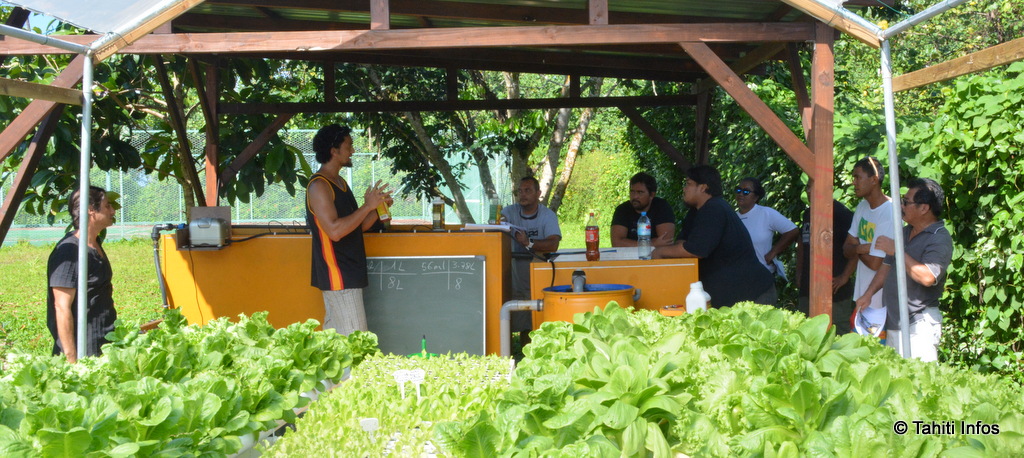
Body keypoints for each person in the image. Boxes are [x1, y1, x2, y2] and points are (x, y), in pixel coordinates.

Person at [306, 124, 391, 335]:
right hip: (338, 275)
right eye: (349, 145)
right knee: (355, 340)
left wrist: (380, 208)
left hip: (349, 273)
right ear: (334, 151)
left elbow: (356, 226)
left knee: (336, 345)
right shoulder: (319, 186)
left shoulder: (339, 182)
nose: (352, 150)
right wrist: (367, 206)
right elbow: (335, 232)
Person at [855, 178, 952, 362]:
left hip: (919, 326)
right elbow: (886, 267)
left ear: (924, 208)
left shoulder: (940, 238)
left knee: (919, 385)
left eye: (906, 202)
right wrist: (868, 295)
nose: (901, 206)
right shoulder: (905, 232)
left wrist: (897, 250)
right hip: (894, 322)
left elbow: (928, 277)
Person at [651, 165, 774, 308]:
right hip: (733, 296)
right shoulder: (696, 211)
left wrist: (659, 251)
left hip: (754, 295)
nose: (684, 188)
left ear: (703, 187)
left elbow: (695, 250)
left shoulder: (714, 209)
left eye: (689, 184)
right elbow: (682, 243)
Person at [47, 186, 118, 363]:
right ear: (90, 210)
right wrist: (72, 360)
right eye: (107, 206)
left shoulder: (94, 243)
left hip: (103, 341)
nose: (113, 210)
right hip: (84, 350)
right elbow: (61, 307)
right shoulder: (70, 252)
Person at [795, 179, 857, 334]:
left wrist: (845, 276)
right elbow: (802, 244)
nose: (809, 191)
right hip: (808, 286)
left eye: (812, 187)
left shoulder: (841, 214)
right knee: (806, 330)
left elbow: (856, 247)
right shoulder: (808, 213)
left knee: (837, 331)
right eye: (807, 187)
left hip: (835, 290)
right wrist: (799, 272)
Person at [501, 176, 561, 332]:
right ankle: (520, 354)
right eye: (520, 191)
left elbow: (553, 244)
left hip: (539, 278)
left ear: (538, 193)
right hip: (515, 277)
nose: (523, 195)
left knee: (539, 324)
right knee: (521, 325)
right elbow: (496, 225)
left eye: (527, 190)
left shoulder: (547, 216)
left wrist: (529, 243)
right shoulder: (509, 212)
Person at [842, 157, 894, 332]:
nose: (853, 182)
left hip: (880, 304)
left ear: (874, 179)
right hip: (862, 298)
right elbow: (846, 249)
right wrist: (862, 248)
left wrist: (855, 248)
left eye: (858, 177)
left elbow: (875, 263)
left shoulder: (890, 212)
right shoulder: (862, 207)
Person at [734, 177, 799, 282]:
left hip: (761, 277)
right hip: (737, 278)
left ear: (756, 197)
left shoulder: (766, 213)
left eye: (746, 192)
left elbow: (793, 231)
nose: (741, 194)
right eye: (738, 190)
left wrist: (773, 252)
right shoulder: (732, 217)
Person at [610, 172, 676, 247]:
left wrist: (629, 243)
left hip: (656, 257)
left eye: (640, 192)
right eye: (632, 192)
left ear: (652, 195)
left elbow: (665, 242)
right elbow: (617, 243)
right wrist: (651, 244)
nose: (635, 196)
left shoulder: (662, 207)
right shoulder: (622, 210)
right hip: (628, 257)